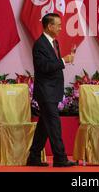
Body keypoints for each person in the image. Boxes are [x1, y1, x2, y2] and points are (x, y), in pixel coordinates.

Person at [27, 13, 77, 167]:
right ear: (49, 26)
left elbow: (52, 66)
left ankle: (34, 157)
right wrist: (63, 60)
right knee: (54, 124)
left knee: (44, 125)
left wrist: (62, 61)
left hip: (52, 90)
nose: (61, 28)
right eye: (59, 25)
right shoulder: (40, 44)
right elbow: (44, 67)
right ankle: (60, 158)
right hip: (45, 91)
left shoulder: (54, 43)